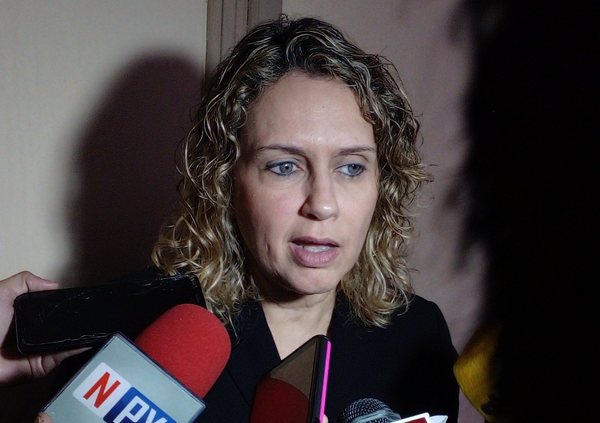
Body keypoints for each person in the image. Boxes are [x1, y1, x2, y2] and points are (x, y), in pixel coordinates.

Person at [1, 16, 459, 422]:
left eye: (352, 167)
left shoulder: (418, 336)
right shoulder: (136, 336)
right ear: (225, 180)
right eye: (285, 166)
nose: (323, 204)